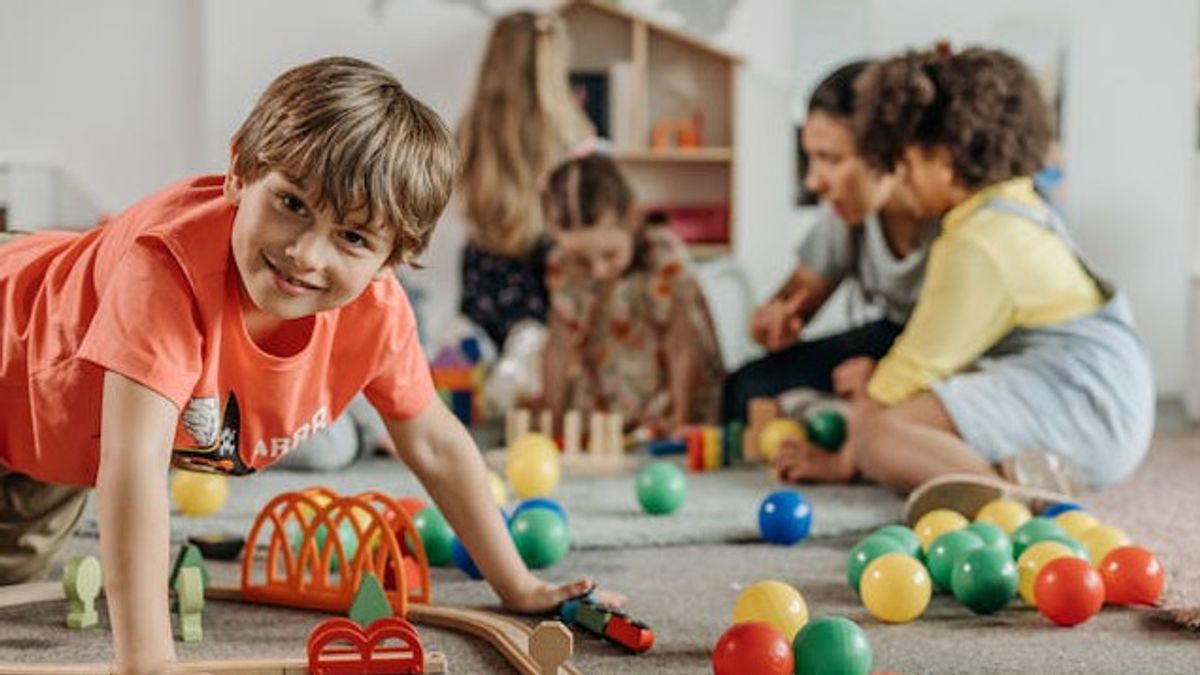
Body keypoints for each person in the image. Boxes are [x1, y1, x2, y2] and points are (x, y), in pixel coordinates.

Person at [0, 57, 619, 674]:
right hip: (14, 331)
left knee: (11, 573)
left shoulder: (376, 311)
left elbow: (433, 441)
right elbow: (132, 464)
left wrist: (519, 587)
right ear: (240, 171)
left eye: (352, 238)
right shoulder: (165, 271)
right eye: (292, 203)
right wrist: (149, 663)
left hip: (49, 437)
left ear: (392, 259)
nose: (304, 254)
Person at [783, 46, 1154, 495]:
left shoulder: (977, 241)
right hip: (1094, 392)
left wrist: (848, 454)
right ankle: (1021, 469)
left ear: (945, 159)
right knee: (896, 417)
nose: (899, 176)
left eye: (906, 163)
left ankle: (1010, 502)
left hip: (1084, 402)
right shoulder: (1012, 204)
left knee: (878, 433)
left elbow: (906, 374)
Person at [722, 61, 936, 434]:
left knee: (899, 406)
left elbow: (967, 347)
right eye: (811, 158)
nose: (813, 182)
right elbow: (795, 298)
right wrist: (771, 322)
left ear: (887, 153)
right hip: (893, 334)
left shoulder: (955, 221)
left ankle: (858, 427)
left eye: (831, 159)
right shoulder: (847, 215)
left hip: (956, 353)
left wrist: (888, 379)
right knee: (746, 388)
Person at [539, 154, 724, 434]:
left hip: (665, 401)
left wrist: (681, 416)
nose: (598, 271)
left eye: (609, 255)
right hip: (604, 407)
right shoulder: (563, 267)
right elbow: (558, 348)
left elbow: (683, 345)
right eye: (581, 259)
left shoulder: (662, 257)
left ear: (632, 219)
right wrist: (551, 420)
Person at [456, 10, 594, 348]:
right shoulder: (573, 136)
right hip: (548, 271)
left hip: (484, 268)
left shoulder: (471, 130)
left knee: (485, 380)